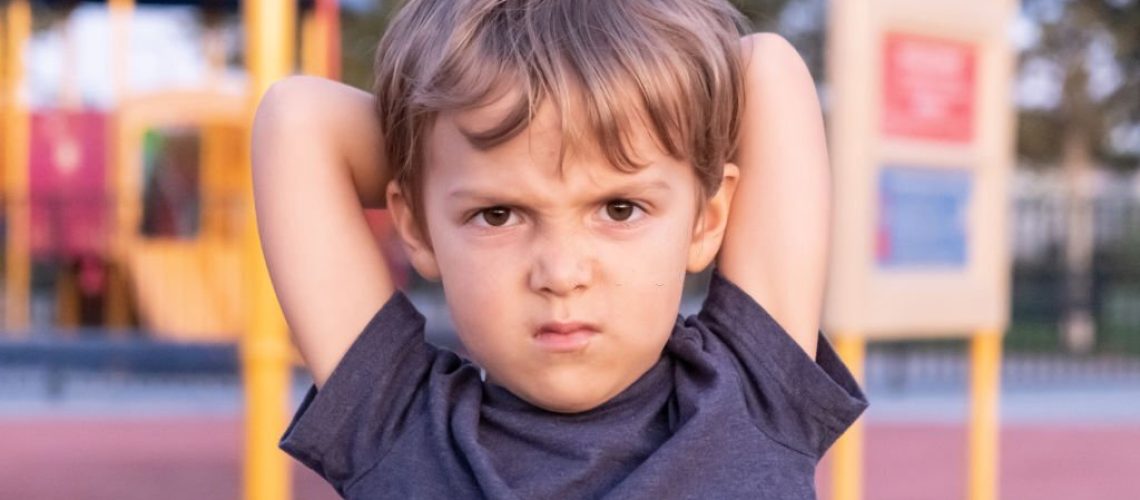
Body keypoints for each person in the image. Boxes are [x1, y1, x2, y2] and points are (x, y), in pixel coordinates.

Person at [252, 0, 868, 498]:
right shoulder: (393, 422)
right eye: (498, 213)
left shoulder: (754, 388)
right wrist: (445, 146)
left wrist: (481, 144)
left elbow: (767, 69)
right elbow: (296, 118)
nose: (562, 273)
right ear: (415, 225)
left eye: (619, 208)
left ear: (707, 220)